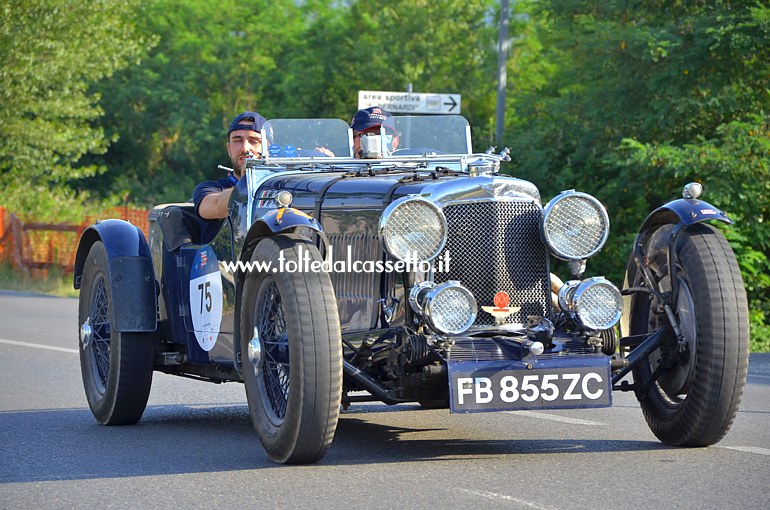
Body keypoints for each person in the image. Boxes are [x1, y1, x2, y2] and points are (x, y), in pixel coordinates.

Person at [193, 111, 267, 243]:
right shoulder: (207, 188)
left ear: (269, 148)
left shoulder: (279, 188)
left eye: (254, 141)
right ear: (229, 149)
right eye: (237, 141)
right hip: (224, 263)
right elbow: (216, 206)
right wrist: (248, 181)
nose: (245, 148)